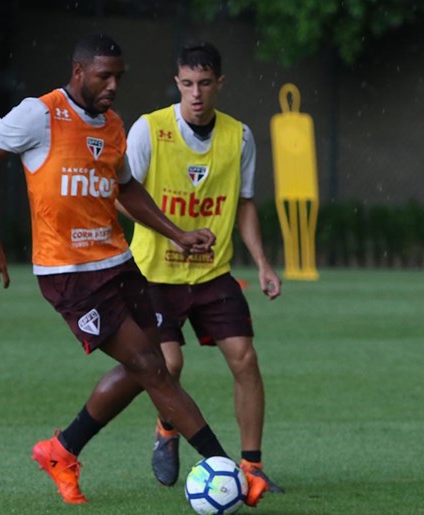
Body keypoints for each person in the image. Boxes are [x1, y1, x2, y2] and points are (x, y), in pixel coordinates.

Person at [0, 34, 267, 507]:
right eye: (105, 75)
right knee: (149, 366)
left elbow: (128, 190)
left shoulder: (112, 125)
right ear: (79, 72)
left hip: (119, 262)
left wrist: (178, 234)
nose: (114, 85)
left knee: (151, 366)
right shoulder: (39, 114)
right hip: (69, 274)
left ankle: (61, 451)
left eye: (119, 76)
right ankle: (225, 469)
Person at [123, 41, 284, 493]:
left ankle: (251, 468)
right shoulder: (148, 130)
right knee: (168, 364)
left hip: (213, 274)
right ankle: (167, 430)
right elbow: (124, 197)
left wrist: (264, 264)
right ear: (177, 82)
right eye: (188, 83)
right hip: (154, 273)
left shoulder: (240, 137)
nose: (196, 93)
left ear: (220, 84)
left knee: (245, 359)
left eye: (205, 83)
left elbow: (245, 204)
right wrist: (176, 233)